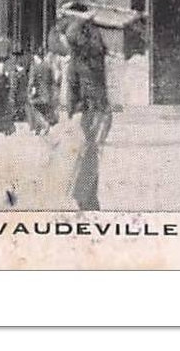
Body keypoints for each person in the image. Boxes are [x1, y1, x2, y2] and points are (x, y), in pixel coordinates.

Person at [58, 11, 110, 211]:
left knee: (86, 153)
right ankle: (87, 198)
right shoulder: (91, 57)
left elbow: (75, 90)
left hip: (92, 111)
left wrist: (72, 112)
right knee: (88, 154)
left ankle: (85, 199)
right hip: (95, 110)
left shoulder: (82, 61)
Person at [28, 47, 59, 134]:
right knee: (45, 110)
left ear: (36, 56)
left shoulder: (34, 67)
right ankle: (41, 128)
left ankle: (44, 125)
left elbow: (32, 81)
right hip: (48, 93)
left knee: (34, 107)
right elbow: (53, 79)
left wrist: (30, 91)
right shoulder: (48, 66)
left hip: (38, 93)